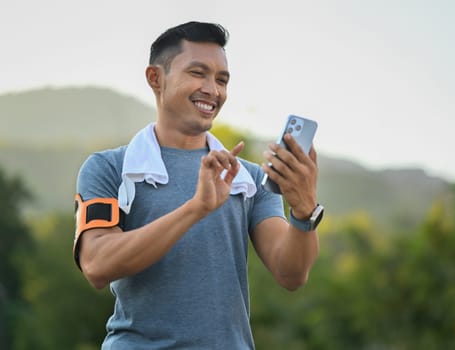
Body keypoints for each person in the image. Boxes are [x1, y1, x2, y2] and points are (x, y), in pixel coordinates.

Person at [73, 21, 324, 349]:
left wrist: (304, 210)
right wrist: (195, 208)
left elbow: (291, 274)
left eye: (222, 80)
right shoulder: (109, 168)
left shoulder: (246, 179)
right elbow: (96, 264)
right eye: (198, 73)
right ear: (155, 78)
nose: (213, 90)